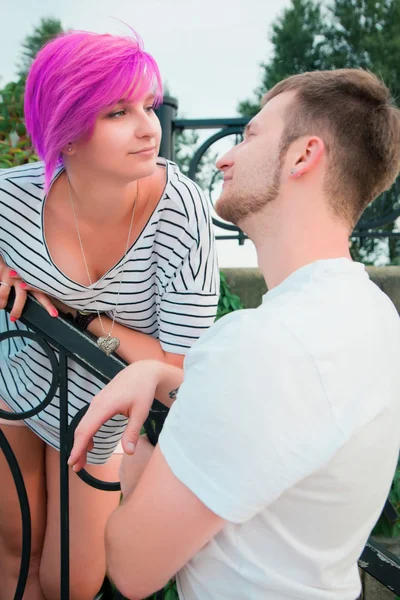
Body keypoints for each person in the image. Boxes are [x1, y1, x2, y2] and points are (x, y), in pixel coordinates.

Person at [69, 68, 400, 600]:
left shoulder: (266, 345)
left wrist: (125, 441)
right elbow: (282, 426)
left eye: (250, 137)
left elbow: (131, 566)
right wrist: (154, 371)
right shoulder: (373, 314)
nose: (224, 157)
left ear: (302, 156)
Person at [0, 29, 219, 600]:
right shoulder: (13, 199)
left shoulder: (180, 211)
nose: (150, 127)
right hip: (17, 385)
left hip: (104, 412)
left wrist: (85, 317)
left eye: (148, 105)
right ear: (66, 134)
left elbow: (181, 368)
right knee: (13, 553)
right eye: (119, 112)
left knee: (72, 580)